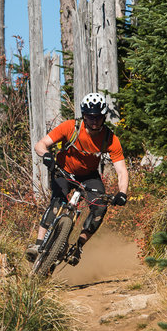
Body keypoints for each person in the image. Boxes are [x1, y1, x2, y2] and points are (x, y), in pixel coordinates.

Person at [25, 92, 129, 265]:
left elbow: (122, 171)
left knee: (100, 208)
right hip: (63, 170)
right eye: (90, 116)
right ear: (84, 115)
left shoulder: (110, 139)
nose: (94, 121)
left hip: (89, 176)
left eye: (98, 117)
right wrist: (46, 156)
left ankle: (79, 246)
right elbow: (40, 145)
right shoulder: (70, 127)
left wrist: (122, 192)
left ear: (104, 116)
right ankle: (38, 244)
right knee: (57, 203)